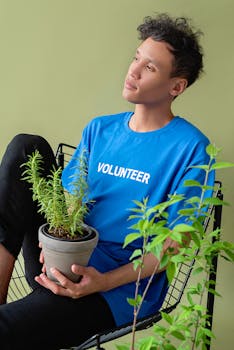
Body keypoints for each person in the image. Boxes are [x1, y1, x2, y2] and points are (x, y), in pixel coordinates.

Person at [0, 13, 214, 350]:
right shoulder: (100, 128)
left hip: (113, 290)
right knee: (27, 147)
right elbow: (68, 203)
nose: (133, 71)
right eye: (136, 59)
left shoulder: (191, 149)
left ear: (176, 86)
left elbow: (175, 244)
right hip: (63, 260)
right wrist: (55, 244)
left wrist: (101, 282)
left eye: (151, 67)